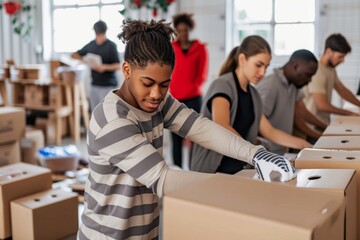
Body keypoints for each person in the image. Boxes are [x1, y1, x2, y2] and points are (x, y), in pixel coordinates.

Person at [77, 20, 296, 240]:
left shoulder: (159, 104)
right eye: (147, 83)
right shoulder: (112, 120)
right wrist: (238, 186)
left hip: (145, 231)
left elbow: (200, 127)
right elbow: (163, 179)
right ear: (126, 70)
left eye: (164, 85)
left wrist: (255, 154)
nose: (156, 94)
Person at [190, 36, 310, 174]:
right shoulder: (222, 85)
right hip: (214, 170)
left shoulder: (254, 95)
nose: (263, 73)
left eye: (266, 67)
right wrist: (256, 153)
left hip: (239, 169)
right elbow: (222, 125)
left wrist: (304, 144)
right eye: (258, 65)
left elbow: (270, 132)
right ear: (242, 59)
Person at [256, 49, 327, 155]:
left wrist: (326, 129)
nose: (309, 80)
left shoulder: (293, 85)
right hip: (267, 153)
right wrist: (320, 136)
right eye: (308, 75)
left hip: (282, 150)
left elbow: (302, 113)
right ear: (295, 66)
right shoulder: (271, 85)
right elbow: (258, 124)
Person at [169, 13, 208, 168]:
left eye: (185, 30)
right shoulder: (172, 48)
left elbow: (202, 75)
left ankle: (193, 169)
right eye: (179, 30)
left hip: (194, 99)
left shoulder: (200, 49)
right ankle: (177, 171)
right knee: (176, 139)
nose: (183, 33)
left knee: (193, 138)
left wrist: (189, 88)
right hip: (175, 100)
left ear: (189, 30)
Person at [302, 33, 360, 125]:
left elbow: (343, 91)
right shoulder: (317, 71)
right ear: (329, 51)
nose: (342, 61)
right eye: (340, 57)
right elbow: (322, 105)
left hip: (322, 123)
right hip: (312, 126)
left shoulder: (330, 69)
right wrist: (349, 113)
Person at [71, 20, 121, 111]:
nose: (99, 38)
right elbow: (74, 55)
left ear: (105, 32)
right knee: (95, 113)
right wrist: (85, 60)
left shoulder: (111, 46)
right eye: (98, 35)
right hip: (94, 85)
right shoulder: (91, 45)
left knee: (108, 112)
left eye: (101, 35)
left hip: (108, 85)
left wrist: (104, 67)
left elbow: (118, 65)